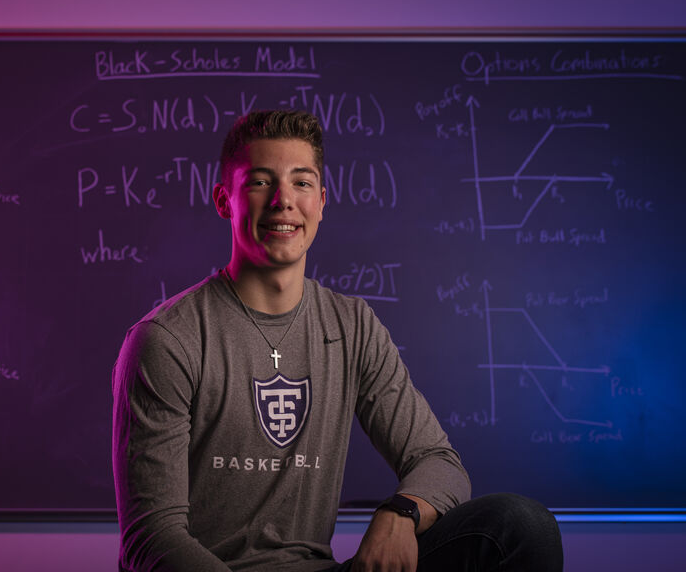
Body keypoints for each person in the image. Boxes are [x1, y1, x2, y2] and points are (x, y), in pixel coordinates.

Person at [112, 110, 563, 571]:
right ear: (225, 200)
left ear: (322, 202)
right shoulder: (167, 340)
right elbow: (153, 536)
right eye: (260, 182)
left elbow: (438, 461)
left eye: (302, 183)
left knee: (520, 527)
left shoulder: (352, 326)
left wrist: (400, 512)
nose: (283, 200)